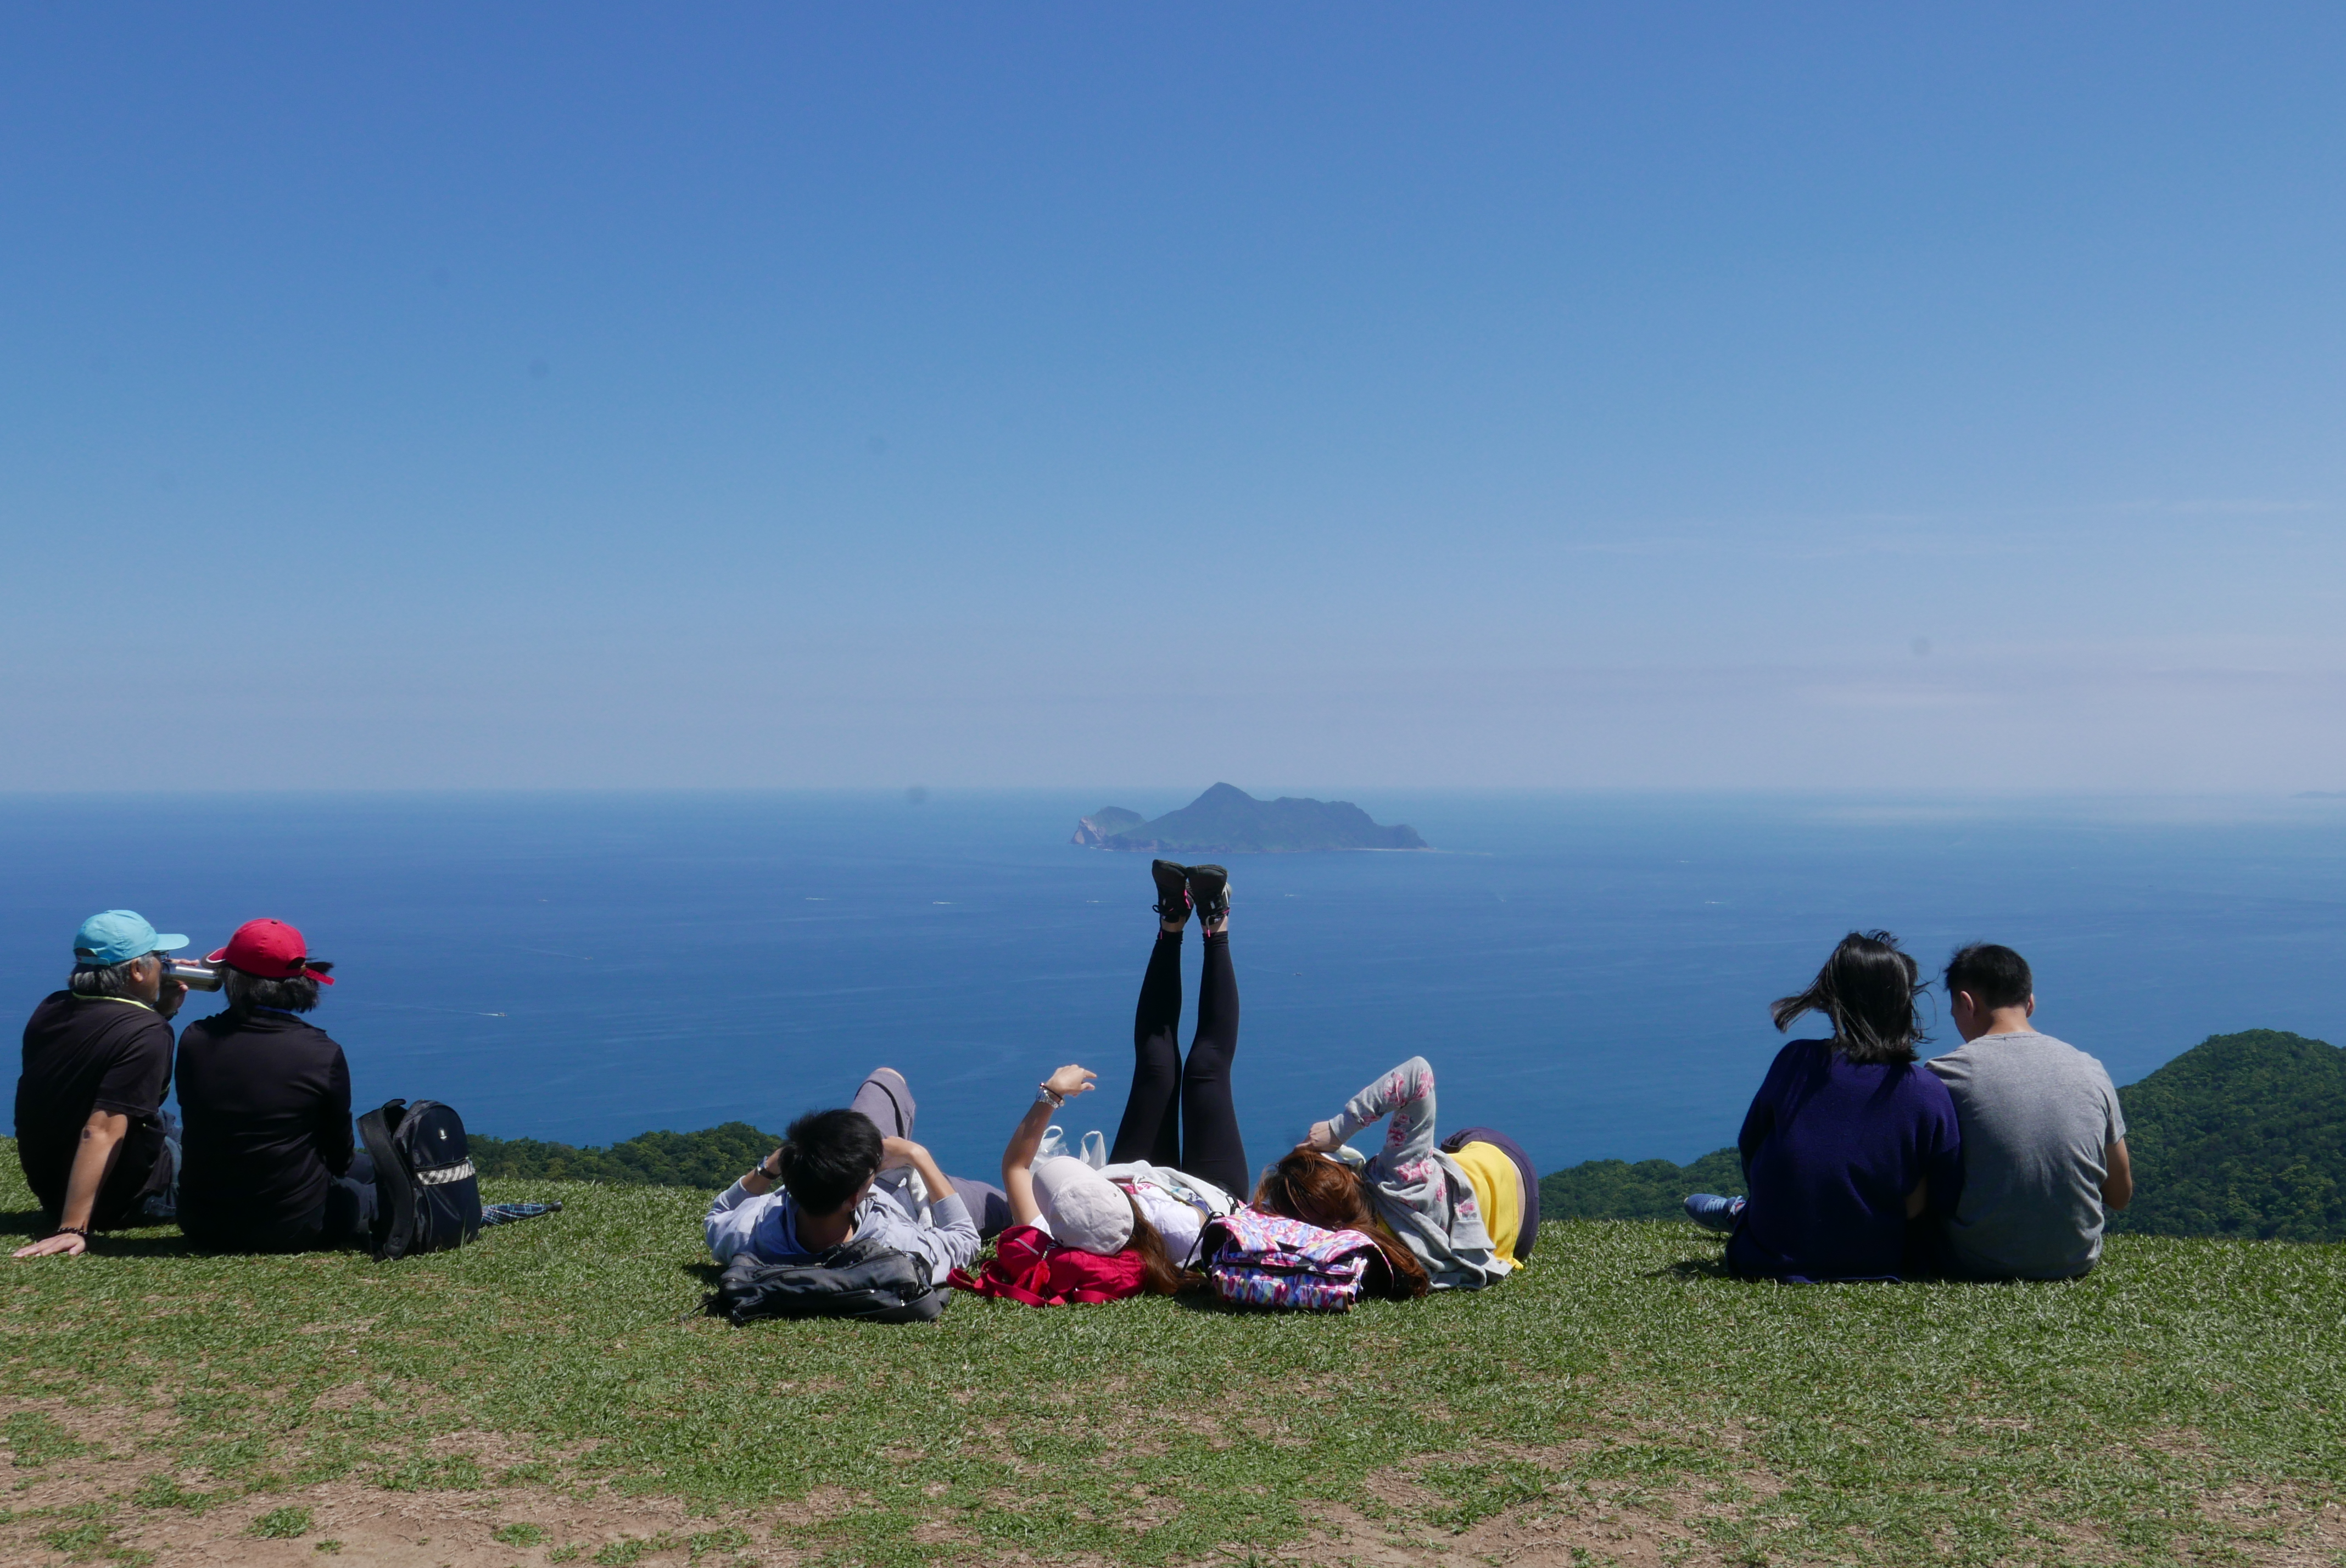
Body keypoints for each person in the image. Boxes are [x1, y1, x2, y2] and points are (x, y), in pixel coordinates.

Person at [1685, 930, 1963, 1283]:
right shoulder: (1927, 1091)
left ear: (1834, 998)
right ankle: (1745, 1212)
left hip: (1768, 1258)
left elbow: (1751, 1146)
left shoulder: (1796, 1061)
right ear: (1905, 1002)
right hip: (1884, 1263)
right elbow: (1945, 1191)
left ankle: (1743, 1213)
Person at [1923, 943, 2132, 1280]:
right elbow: (2120, 1195)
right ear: (2030, 1003)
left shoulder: (1945, 1074)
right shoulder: (2090, 1069)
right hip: (2076, 1260)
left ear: (1966, 1003)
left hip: (1974, 1261)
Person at [175, 919, 379, 1252]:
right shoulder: (321, 1053)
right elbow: (339, 1156)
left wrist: (166, 1006)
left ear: (228, 979)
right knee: (374, 1180)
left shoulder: (194, 1039)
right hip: (296, 1227)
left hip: (202, 1223)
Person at [704, 1066, 1008, 1283]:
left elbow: (720, 1213)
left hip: (838, 1174)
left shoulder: (754, 1232)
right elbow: (964, 1240)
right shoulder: (891, 1244)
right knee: (1006, 1203)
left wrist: (768, 1168)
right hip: (915, 1206)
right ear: (854, 1198)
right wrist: (919, 1157)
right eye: (871, 1174)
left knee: (884, 1080)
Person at [14, 911, 192, 1258]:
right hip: (127, 1198)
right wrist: (72, 1227)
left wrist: (160, 1010)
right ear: (137, 971)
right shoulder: (147, 1032)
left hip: (53, 1182)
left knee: (172, 1127)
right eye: (160, 959)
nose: (166, 966)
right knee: (232, 1154)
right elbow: (102, 1130)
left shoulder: (52, 1007)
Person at [1275, 1052, 1520, 1292]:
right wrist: (1337, 1130)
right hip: (1504, 1163)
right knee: (1445, 1150)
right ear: (1346, 1178)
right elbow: (1418, 1073)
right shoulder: (1397, 1178)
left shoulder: (1366, 1258)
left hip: (1517, 1239)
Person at [955, 1061, 1196, 1303]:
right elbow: (1224, 1216)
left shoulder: (1051, 1236)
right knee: (1203, 1073)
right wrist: (1052, 1092)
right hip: (1192, 1187)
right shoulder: (1176, 1227)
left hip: (1130, 1173)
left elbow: (1015, 1165)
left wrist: (1052, 1094)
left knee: (1157, 1072)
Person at [1107, 860, 1250, 1200]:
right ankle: (1215, 922)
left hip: (1133, 1202)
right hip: (1210, 1210)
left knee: (1155, 1068)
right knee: (1206, 1069)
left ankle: (1174, 920)